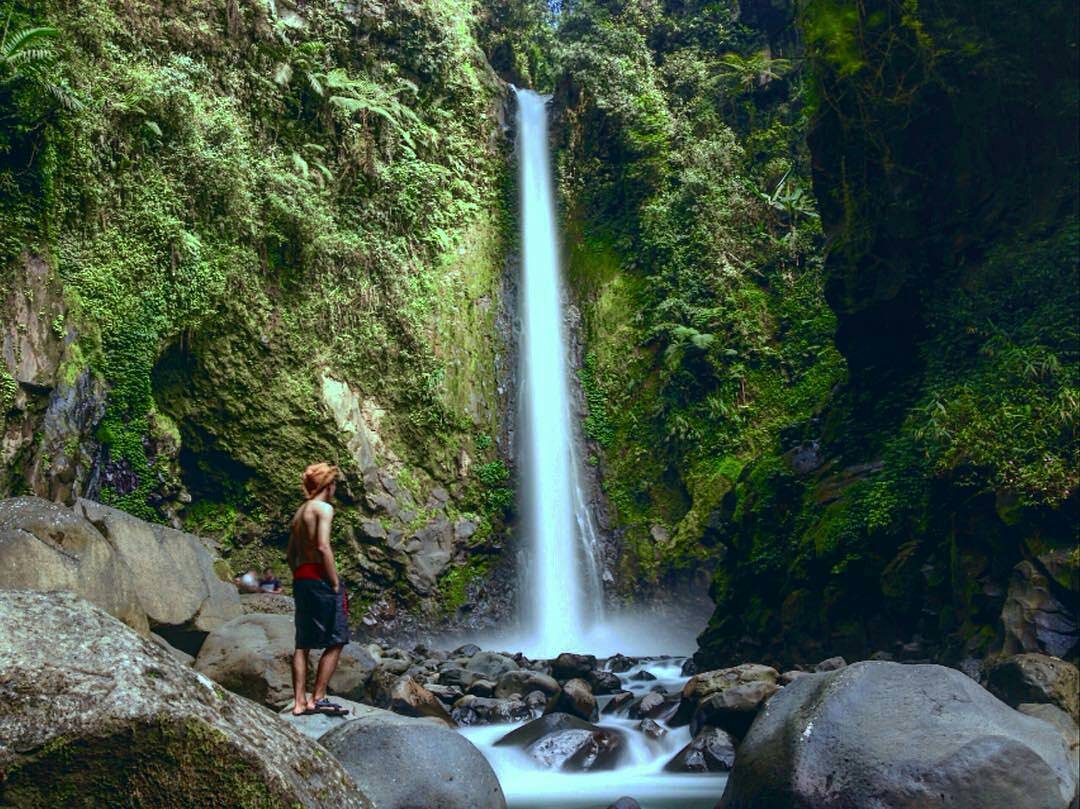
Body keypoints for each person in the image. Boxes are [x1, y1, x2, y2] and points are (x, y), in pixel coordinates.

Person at [287, 462, 350, 717]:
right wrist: (334, 581)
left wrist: (299, 576)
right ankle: (318, 697)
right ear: (328, 485)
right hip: (319, 577)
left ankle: (299, 702)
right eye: (334, 484)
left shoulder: (299, 513)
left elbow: (290, 555)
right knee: (337, 639)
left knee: (302, 644)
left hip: (302, 578)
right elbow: (323, 547)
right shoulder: (324, 509)